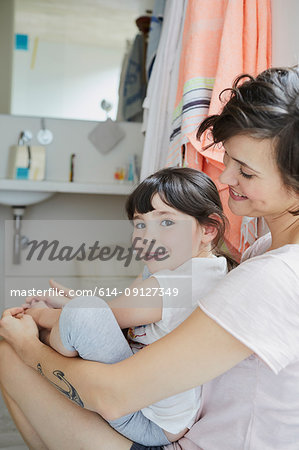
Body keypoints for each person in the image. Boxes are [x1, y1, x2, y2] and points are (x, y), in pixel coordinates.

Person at [0, 66, 298, 450]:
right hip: (184, 428)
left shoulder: (275, 276)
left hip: (176, 439)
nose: (225, 178)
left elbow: (112, 396)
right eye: (229, 159)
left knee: (11, 351)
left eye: (246, 171)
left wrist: (30, 347)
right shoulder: (263, 251)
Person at [22, 167, 229, 446]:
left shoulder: (182, 283)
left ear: (208, 229)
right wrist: (70, 303)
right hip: (150, 402)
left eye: (166, 222)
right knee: (83, 312)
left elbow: (101, 316)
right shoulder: (196, 269)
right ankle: (54, 331)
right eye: (140, 223)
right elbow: (115, 312)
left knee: (82, 316)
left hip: (150, 420)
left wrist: (39, 315)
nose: (147, 235)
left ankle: (35, 335)